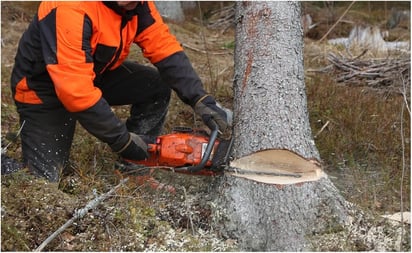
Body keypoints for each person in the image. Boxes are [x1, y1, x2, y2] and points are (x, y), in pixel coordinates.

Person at [9, 1, 231, 182]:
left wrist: (201, 99)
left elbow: (164, 49)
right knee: (43, 180)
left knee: (155, 86)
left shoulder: (138, 6)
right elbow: (75, 93)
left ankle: (134, 171)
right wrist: (122, 141)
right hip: (43, 91)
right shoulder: (70, 8)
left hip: (93, 74)